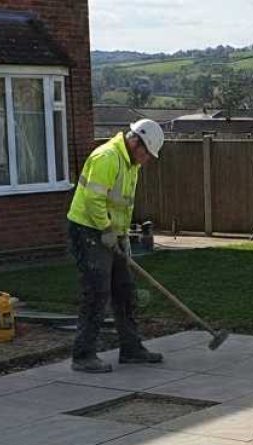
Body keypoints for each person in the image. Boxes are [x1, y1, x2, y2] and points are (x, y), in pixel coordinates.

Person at [66, 119, 165, 373]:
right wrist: (106, 229)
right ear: (135, 142)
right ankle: (83, 355)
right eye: (146, 154)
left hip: (112, 232)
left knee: (125, 290)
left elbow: (123, 205)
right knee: (97, 291)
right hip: (88, 230)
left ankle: (131, 349)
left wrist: (121, 236)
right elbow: (93, 200)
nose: (147, 160)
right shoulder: (107, 157)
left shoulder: (131, 164)